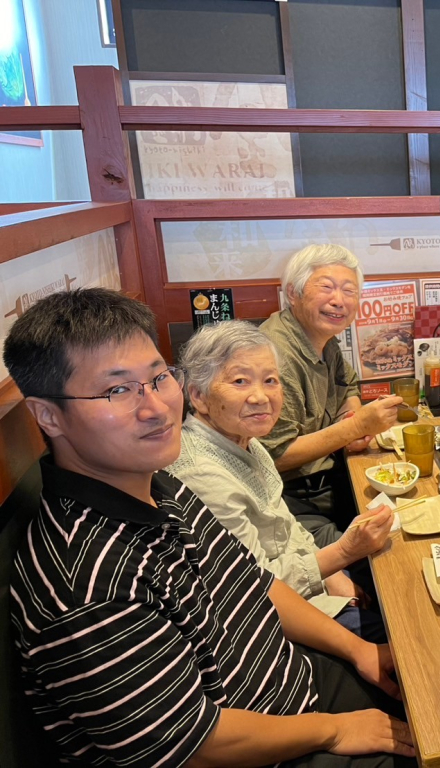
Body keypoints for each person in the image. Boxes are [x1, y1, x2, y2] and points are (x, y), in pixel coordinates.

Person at [3, 289, 415, 767]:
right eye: (117, 390)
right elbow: (190, 744)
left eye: (158, 378)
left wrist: (358, 649)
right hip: (267, 748)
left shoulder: (161, 486)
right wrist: (336, 729)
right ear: (48, 415)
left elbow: (254, 584)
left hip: (297, 682)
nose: (156, 407)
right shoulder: (87, 585)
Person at [167, 320, 393, 642]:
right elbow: (254, 586)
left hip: (305, 584)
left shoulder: (245, 438)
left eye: (270, 380)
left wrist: (333, 577)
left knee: (391, 576)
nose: (261, 396)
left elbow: (284, 524)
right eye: (240, 381)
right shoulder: (203, 475)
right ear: (199, 397)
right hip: (268, 625)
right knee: (401, 632)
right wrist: (343, 553)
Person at [260, 244, 403, 534]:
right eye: (326, 287)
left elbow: (348, 383)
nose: (338, 300)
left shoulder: (321, 337)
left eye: (349, 291)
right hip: (289, 499)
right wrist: (355, 428)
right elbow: (275, 456)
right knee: (388, 552)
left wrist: (349, 424)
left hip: (333, 476)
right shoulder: (275, 357)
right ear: (293, 293)